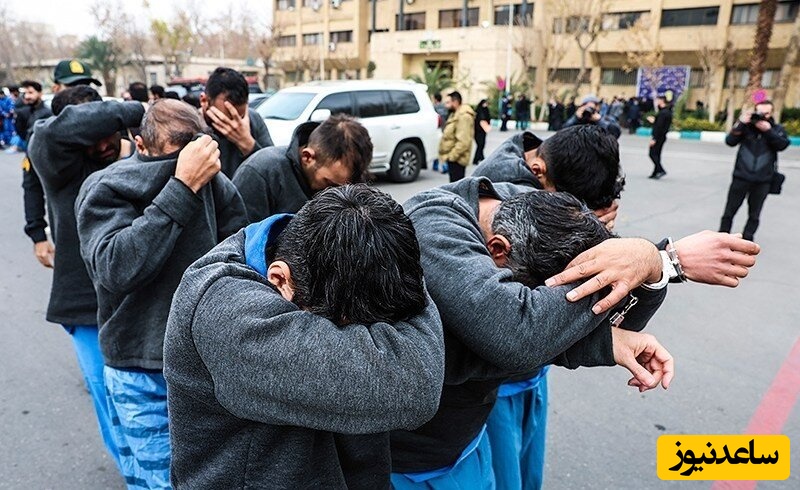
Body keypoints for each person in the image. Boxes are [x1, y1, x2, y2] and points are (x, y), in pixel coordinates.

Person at [473, 126, 760, 489]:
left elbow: (593, 274)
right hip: (497, 385)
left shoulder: (557, 168)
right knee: (504, 474)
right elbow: (537, 304)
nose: (574, 215)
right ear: (539, 172)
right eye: (572, 206)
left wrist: (621, 248)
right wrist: (664, 258)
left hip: (533, 370)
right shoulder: (496, 203)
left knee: (526, 471)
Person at [391, 176, 674, 489]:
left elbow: (578, 324)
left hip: (464, 439)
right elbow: (520, 335)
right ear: (497, 250)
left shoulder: (529, 206)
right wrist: (652, 258)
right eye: (536, 297)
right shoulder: (432, 223)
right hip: (410, 460)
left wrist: (648, 269)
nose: (548, 314)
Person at [164, 184, 445, 488]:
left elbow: (406, 297)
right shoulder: (225, 313)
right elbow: (417, 382)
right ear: (279, 280)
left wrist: (392, 262)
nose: (367, 338)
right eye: (346, 327)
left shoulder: (318, 252)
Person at [76, 99, 248, 488]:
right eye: (171, 160)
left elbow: (240, 261)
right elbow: (115, 268)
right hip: (138, 366)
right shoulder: (107, 187)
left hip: (202, 365)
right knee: (154, 477)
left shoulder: (216, 183)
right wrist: (181, 187)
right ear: (140, 145)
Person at [27, 87, 144, 469]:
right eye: (91, 134)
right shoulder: (59, 166)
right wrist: (133, 108)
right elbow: (47, 133)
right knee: (109, 395)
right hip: (83, 306)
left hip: (134, 299)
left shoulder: (134, 159)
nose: (104, 143)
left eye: (109, 132)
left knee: (146, 397)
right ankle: (133, 473)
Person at [232, 115, 372, 223]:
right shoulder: (260, 173)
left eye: (343, 188)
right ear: (308, 157)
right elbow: (239, 240)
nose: (333, 193)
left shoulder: (345, 178)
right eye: (329, 184)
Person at [719, 100, 789, 241]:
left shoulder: (776, 129)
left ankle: (747, 240)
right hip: (741, 178)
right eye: (760, 113)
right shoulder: (746, 127)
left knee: (754, 214)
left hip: (762, 181)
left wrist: (768, 131)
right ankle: (721, 238)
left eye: (766, 113)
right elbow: (730, 141)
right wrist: (741, 122)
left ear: (771, 113)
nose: (762, 116)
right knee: (729, 212)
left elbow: (782, 145)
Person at [200, 67, 273, 177]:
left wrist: (248, 144)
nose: (234, 125)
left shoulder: (253, 119)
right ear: (204, 101)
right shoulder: (190, 126)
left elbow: (273, 172)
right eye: (225, 119)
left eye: (240, 117)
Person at [17, 81, 53, 266]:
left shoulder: (47, 115)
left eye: (31, 92)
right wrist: (38, 234)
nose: (27, 96)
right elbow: (31, 187)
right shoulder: (25, 112)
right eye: (26, 93)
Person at [439, 91, 475, 183]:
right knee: (453, 187)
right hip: (454, 159)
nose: (446, 105)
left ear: (455, 102)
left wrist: (451, 157)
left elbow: (463, 141)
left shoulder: (464, 116)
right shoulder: (455, 114)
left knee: (456, 189)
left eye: (448, 102)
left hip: (457, 159)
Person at [648, 95, 672, 179]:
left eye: (658, 100)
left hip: (658, 137)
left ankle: (661, 170)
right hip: (662, 136)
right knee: (657, 154)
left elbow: (659, 127)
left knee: (652, 154)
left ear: (662, 101)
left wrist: (654, 138)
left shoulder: (663, 113)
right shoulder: (667, 112)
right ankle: (655, 172)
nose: (657, 102)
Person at [473, 99, 491, 165]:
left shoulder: (486, 110)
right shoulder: (478, 110)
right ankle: (476, 159)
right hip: (478, 130)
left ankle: (481, 157)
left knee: (482, 144)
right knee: (480, 144)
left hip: (483, 130)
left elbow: (488, 119)